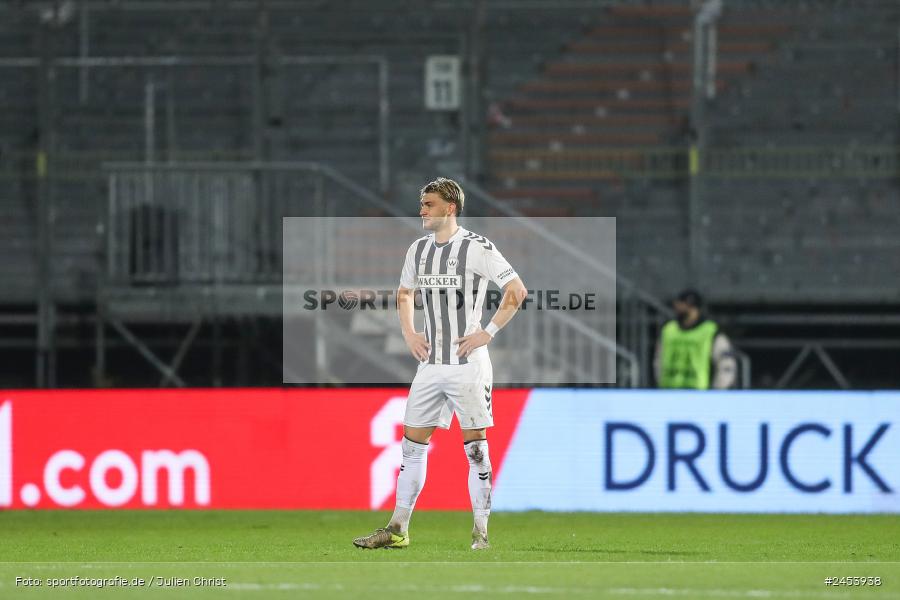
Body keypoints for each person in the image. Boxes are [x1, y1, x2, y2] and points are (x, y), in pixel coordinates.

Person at [353, 177, 527, 551]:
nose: (422, 211)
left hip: (467, 363)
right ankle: (397, 528)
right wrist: (410, 334)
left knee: (475, 448)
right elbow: (404, 293)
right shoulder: (417, 250)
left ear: (450, 208)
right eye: (422, 204)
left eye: (429, 204)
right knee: (411, 446)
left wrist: (488, 332)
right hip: (430, 365)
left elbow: (517, 290)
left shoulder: (477, 248)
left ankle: (481, 534)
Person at [654, 289, 737, 390]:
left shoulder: (710, 332)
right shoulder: (669, 330)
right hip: (669, 391)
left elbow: (726, 365)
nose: (678, 307)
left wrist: (717, 391)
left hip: (699, 394)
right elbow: (659, 360)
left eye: (682, 304)